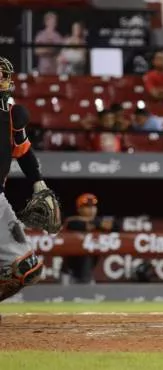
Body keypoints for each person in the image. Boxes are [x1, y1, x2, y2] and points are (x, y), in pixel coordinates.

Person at [0, 57, 60, 301]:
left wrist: (38, 181)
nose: (2, 80)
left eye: (3, 75)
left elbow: (23, 150)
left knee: (26, 269)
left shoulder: (12, 114)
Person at [62, 193, 118, 284]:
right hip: (69, 272)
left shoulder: (97, 221)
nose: (91, 209)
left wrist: (97, 223)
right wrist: (99, 223)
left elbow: (116, 225)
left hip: (88, 273)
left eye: (93, 206)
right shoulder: (72, 222)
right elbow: (82, 225)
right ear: (79, 209)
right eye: (87, 206)